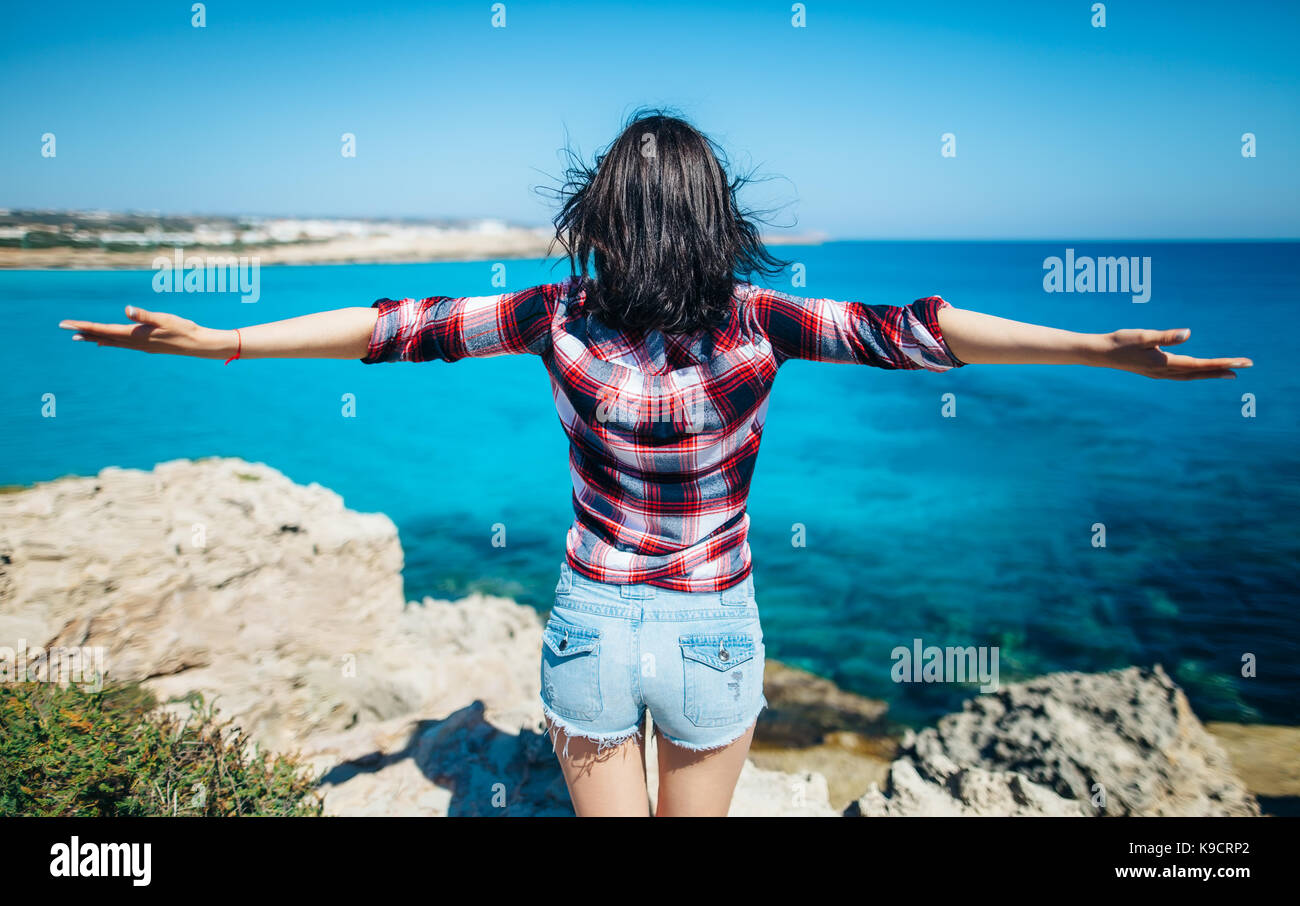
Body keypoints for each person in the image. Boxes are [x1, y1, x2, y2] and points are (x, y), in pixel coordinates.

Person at [59, 111, 1251, 817]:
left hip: (587, 623)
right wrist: (1102, 351)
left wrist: (221, 341)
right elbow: (921, 328)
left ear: (603, 218)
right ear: (712, 220)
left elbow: (391, 325)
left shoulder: (552, 312)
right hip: (712, 628)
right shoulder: (757, 324)